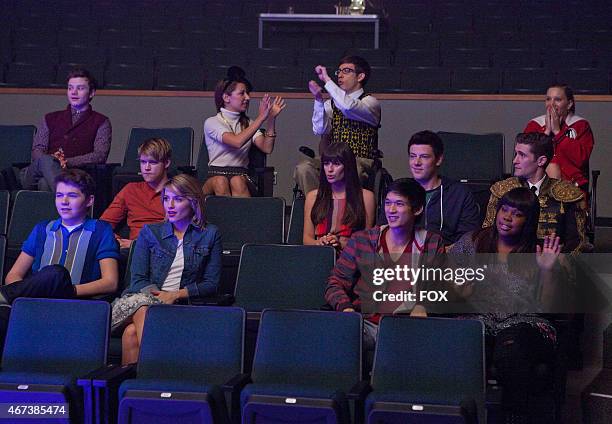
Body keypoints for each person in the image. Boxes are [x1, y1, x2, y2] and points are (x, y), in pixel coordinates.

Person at [450, 187, 562, 421]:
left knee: (511, 347)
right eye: (504, 210)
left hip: (528, 324)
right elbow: (451, 289)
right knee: (464, 340)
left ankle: (512, 417)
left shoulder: (538, 251)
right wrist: (461, 289)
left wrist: (547, 271)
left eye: (517, 214)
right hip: (480, 320)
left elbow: (549, 307)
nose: (507, 218)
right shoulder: (472, 242)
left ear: (528, 220)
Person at [0, 169, 119, 347]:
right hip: (37, 304)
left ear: (89, 200)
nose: (64, 202)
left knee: (56, 274)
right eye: (59, 195)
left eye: (72, 196)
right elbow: (13, 276)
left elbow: (110, 282)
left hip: (75, 305)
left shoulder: (101, 230)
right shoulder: (42, 229)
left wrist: (67, 290)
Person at [112, 174, 222, 364]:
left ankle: (138, 389)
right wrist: (159, 297)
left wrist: (176, 295)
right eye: (166, 199)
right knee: (145, 308)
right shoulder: (149, 232)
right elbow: (137, 280)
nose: (169, 205)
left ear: (193, 202)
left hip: (179, 304)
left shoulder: (210, 234)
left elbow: (211, 283)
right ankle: (160, 370)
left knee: (131, 334)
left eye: (177, 199)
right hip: (138, 301)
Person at [325, 179, 445, 349]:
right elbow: (335, 283)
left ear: (417, 209)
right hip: (366, 324)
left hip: (408, 327)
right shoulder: (362, 240)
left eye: (399, 204)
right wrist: (346, 310)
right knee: (335, 337)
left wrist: (423, 305)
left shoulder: (432, 243)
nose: (391, 210)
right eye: (388, 203)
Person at [483, 132, 587, 254]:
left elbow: (577, 245)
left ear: (541, 161)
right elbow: (487, 233)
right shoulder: (502, 190)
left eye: (522, 155)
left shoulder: (567, 195)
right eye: (516, 154)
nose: (515, 161)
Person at [294, 55, 381, 195]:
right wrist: (318, 100)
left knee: (354, 170)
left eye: (346, 71)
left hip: (359, 159)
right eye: (339, 71)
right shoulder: (331, 104)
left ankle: (349, 211)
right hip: (333, 160)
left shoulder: (370, 102)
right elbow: (319, 129)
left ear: (360, 76)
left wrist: (327, 80)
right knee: (304, 168)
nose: (340, 75)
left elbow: (348, 107)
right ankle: (320, 206)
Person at [20, 68, 111, 191]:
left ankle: (59, 195)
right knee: (46, 160)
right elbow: (37, 150)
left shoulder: (101, 121)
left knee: (45, 184)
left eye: (80, 88)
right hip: (35, 173)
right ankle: (65, 192)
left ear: (92, 93)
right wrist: (55, 162)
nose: (74, 92)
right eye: (70, 88)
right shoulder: (49, 118)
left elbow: (99, 156)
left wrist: (66, 162)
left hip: (74, 174)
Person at [203, 66, 285, 197]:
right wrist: (261, 118)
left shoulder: (249, 123)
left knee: (237, 181)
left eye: (248, 93)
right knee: (220, 181)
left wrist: (270, 120)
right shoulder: (212, 122)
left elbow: (267, 148)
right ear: (226, 97)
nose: (247, 97)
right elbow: (237, 142)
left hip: (241, 176)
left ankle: (240, 217)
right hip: (215, 176)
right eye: (242, 93)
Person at [407, 130, 481, 246]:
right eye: (412, 156)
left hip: (447, 259)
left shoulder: (459, 194)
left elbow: (468, 239)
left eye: (424, 157)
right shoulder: (399, 192)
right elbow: (384, 232)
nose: (416, 162)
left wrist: (439, 254)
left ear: (439, 159)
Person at [303, 142, 376, 252]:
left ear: (347, 166)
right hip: (318, 255)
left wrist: (340, 243)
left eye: (336, 164)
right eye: (326, 164)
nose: (330, 169)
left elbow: (366, 241)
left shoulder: (365, 197)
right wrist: (320, 243)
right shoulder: (313, 197)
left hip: (349, 257)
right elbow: (307, 239)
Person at [524, 84, 594, 194]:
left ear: (569, 104)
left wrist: (558, 132)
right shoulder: (534, 125)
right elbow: (526, 157)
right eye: (548, 99)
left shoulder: (580, 125)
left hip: (571, 185)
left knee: (553, 167)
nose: (551, 104)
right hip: (535, 184)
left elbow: (581, 159)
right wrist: (546, 132)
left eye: (557, 99)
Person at [100, 138, 170, 249]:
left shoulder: (177, 192)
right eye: (143, 162)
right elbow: (103, 224)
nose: (146, 168)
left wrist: (136, 244)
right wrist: (116, 240)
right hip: (131, 251)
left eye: (152, 162)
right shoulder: (131, 190)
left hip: (162, 248)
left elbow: (181, 234)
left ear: (166, 163)